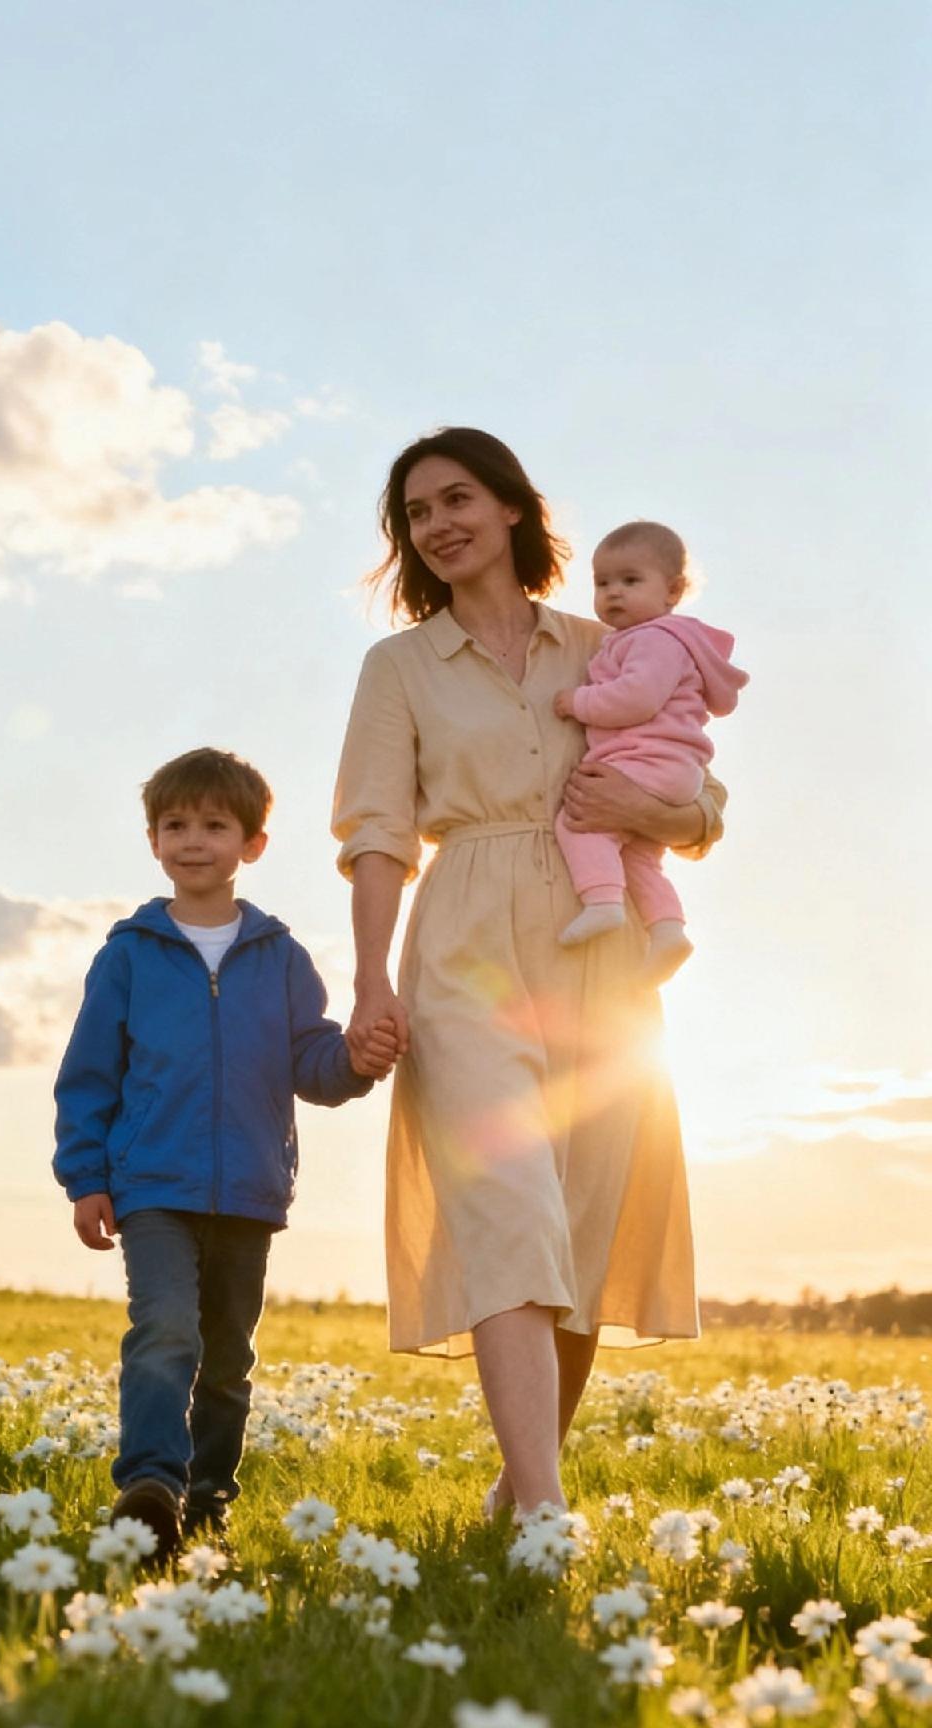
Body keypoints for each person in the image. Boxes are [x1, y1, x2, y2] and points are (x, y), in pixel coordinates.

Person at [334, 429, 726, 1518]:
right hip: (462, 942)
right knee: (509, 1207)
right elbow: (376, 836)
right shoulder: (398, 668)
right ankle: (549, 1517)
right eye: (417, 514)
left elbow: (698, 794)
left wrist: (653, 812)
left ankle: (520, 1489)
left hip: (597, 948)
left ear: (511, 508)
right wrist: (372, 982)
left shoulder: (608, 640)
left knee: (587, 1218)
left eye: (458, 498)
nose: (439, 524)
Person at [53, 747, 396, 1559]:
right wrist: (87, 1177)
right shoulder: (129, 953)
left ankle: (206, 1500)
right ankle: (150, 1488)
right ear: (153, 841)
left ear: (253, 844)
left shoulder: (279, 957)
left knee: (227, 1359)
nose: (194, 840)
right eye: (176, 825)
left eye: (215, 825)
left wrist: (355, 1059)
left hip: (249, 1191)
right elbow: (90, 1073)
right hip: (151, 1189)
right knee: (165, 1331)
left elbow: (311, 1061)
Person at [552, 520, 747, 985]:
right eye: (602, 583)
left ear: (673, 590)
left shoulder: (656, 639)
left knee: (577, 821)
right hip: (671, 771)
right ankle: (668, 931)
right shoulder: (642, 638)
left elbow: (637, 697)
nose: (613, 594)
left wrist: (576, 702)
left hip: (647, 763)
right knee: (638, 858)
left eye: (630, 581)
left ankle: (601, 902)